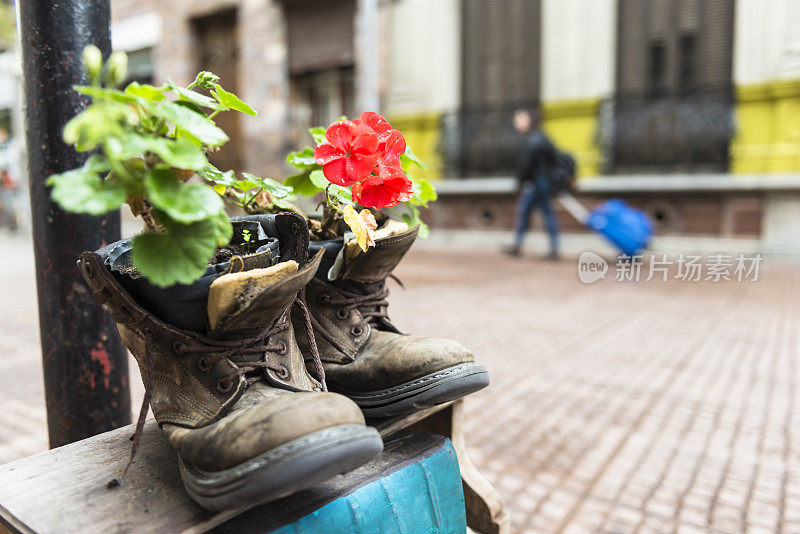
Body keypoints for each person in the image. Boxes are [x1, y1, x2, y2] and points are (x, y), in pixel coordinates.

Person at [504, 109, 560, 259]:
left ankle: (518, 245)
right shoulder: (543, 137)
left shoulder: (531, 140)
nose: (516, 123)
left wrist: (520, 182)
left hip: (535, 182)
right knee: (545, 213)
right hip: (544, 181)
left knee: (525, 211)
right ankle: (553, 248)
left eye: (519, 120)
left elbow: (526, 165)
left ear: (529, 121)